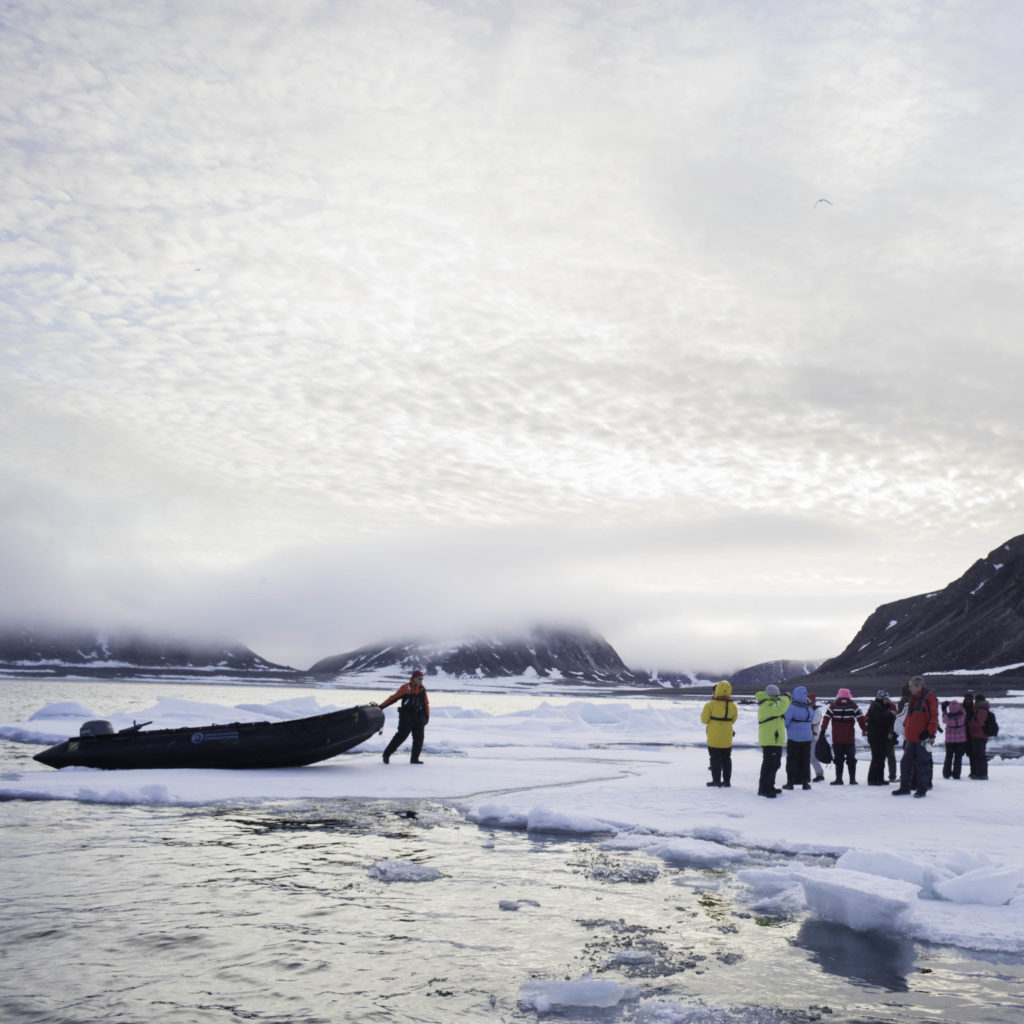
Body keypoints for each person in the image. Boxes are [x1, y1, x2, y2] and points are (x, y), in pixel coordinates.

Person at [893, 675, 939, 797]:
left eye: (911, 686)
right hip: (911, 737)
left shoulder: (930, 698)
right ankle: (904, 787)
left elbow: (934, 717)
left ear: (919, 686)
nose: (910, 689)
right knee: (906, 763)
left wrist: (929, 733)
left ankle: (922, 789)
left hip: (923, 738)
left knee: (922, 764)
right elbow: (910, 716)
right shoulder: (913, 698)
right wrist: (904, 727)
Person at [380, 669, 430, 764]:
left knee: (419, 739)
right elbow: (393, 698)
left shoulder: (422, 689)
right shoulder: (406, 687)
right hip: (406, 718)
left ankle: (414, 759)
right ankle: (386, 754)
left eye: (422, 679)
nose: (421, 681)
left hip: (419, 718)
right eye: (419, 679)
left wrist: (426, 718)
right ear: (414, 678)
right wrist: (381, 706)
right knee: (400, 737)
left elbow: (426, 704)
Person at [820, 688, 866, 785]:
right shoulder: (854, 706)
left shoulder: (833, 706)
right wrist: (864, 729)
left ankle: (839, 779)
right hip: (849, 738)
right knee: (851, 759)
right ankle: (852, 780)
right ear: (849, 696)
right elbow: (861, 718)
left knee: (838, 759)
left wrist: (823, 731)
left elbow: (826, 718)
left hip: (837, 738)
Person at [700, 680, 738, 787]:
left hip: (714, 736)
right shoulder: (733, 705)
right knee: (727, 758)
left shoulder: (710, 705)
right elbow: (734, 719)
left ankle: (716, 781)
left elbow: (704, 720)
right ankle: (727, 781)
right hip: (727, 736)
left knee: (714, 758)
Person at [756, 684, 790, 798]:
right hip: (770, 740)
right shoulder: (766, 704)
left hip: (775, 740)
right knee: (769, 765)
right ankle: (763, 789)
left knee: (775, 764)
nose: (778, 696)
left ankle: (770, 786)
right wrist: (786, 698)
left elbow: (783, 707)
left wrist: (786, 700)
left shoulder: (772, 703)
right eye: (776, 694)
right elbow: (781, 709)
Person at [782, 685, 815, 790]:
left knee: (792, 760)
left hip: (794, 738)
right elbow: (812, 720)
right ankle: (805, 782)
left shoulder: (791, 708)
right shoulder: (809, 708)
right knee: (805, 760)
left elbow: (785, 722)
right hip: (807, 738)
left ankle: (790, 782)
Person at [865, 690, 896, 786]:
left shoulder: (880, 707)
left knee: (881, 758)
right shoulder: (876, 707)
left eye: (888, 698)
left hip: (880, 737)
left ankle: (879, 778)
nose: (888, 700)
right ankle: (873, 779)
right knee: (877, 758)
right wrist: (891, 714)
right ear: (881, 699)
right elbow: (882, 719)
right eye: (885, 699)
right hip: (876, 737)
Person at [941, 698, 968, 780]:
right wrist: (955, 704)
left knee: (948, 756)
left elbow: (944, 720)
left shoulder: (947, 717)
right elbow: (962, 708)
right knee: (958, 757)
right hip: (960, 739)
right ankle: (956, 774)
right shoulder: (963, 713)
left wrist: (944, 709)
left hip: (950, 739)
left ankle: (946, 773)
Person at [967, 693, 992, 780]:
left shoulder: (981, 711)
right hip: (979, 735)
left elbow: (979, 723)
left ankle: (982, 774)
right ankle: (980, 773)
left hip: (979, 736)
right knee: (978, 755)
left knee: (980, 755)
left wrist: (970, 724)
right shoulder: (981, 709)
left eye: (975, 700)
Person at [808, 693, 825, 782]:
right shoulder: (807, 709)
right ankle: (807, 775)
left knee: (812, 757)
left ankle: (820, 774)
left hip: (813, 737)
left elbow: (815, 721)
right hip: (806, 736)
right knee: (806, 757)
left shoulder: (817, 711)